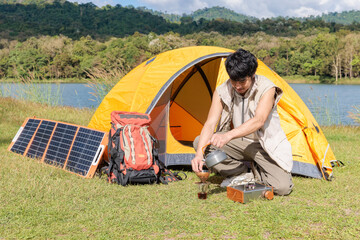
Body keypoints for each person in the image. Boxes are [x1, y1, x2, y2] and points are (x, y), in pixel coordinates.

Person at [191, 48, 293, 196]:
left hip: (263, 146)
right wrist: (199, 155)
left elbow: (259, 120)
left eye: (242, 81)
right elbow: (210, 124)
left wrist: (227, 136)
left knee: (282, 188)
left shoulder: (267, 88)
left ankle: (255, 171)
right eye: (233, 80)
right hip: (238, 144)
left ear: (252, 75)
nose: (237, 86)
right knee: (200, 142)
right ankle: (241, 174)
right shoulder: (222, 90)